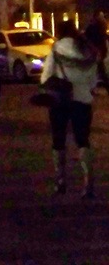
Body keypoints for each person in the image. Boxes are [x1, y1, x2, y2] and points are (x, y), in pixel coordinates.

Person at [41, 19, 105, 198]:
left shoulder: (56, 49)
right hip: (83, 100)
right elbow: (93, 79)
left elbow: (46, 76)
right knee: (83, 140)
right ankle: (88, 183)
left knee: (58, 140)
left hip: (60, 100)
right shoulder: (87, 50)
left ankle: (60, 181)